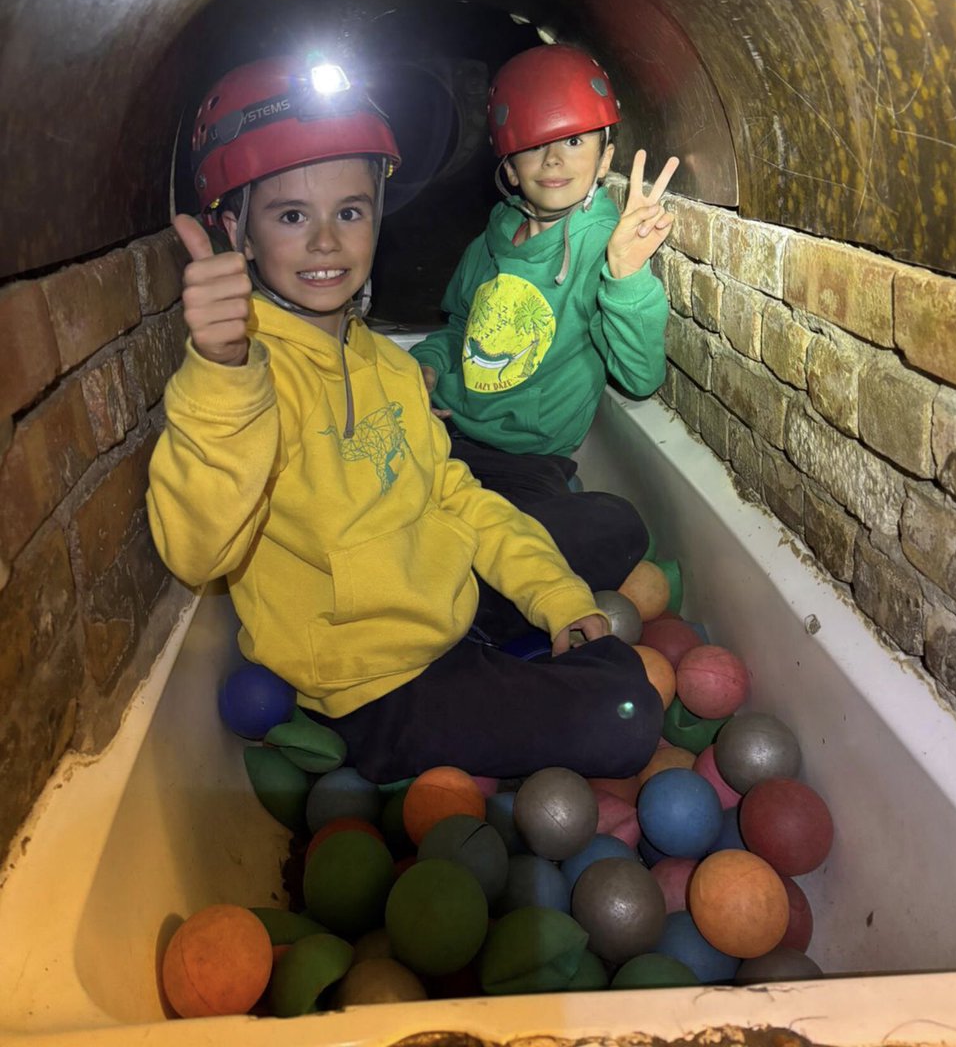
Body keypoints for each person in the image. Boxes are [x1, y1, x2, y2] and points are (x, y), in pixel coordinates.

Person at [147, 53, 662, 783]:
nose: (326, 242)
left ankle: (499, 642)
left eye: (349, 211)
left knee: (613, 525)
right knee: (628, 713)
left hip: (441, 598)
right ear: (237, 231)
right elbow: (198, 553)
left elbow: (456, 497)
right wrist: (224, 368)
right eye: (291, 215)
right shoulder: (242, 380)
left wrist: (553, 598)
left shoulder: (387, 366)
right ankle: (486, 677)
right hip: (377, 685)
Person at [411, 44, 678, 639]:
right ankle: (449, 587)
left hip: (523, 472)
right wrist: (426, 370)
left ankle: (437, 586)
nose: (554, 159)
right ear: (508, 164)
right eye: (534, 143)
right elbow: (455, 328)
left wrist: (627, 273)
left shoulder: (606, 243)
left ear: (606, 153)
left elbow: (640, 377)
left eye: (575, 141)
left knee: (617, 528)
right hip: (440, 439)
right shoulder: (491, 241)